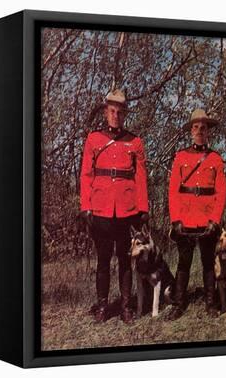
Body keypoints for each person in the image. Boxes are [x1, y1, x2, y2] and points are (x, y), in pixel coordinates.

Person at [79, 89, 149, 323]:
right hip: (101, 209)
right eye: (112, 111)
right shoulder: (94, 139)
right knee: (103, 260)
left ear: (125, 113)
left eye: (120, 112)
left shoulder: (135, 141)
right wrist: (86, 206)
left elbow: (140, 177)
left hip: (127, 210)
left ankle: (126, 307)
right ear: (106, 112)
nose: (115, 115)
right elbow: (87, 175)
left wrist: (143, 208)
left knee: (125, 260)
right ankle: (102, 306)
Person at [167, 109, 226, 320]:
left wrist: (215, 220)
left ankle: (211, 303)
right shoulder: (181, 156)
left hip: (207, 217)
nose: (200, 131)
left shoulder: (216, 158)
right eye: (196, 127)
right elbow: (173, 190)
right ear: (190, 131)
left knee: (208, 261)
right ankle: (179, 303)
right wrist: (175, 219)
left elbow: (221, 192)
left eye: (203, 127)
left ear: (208, 131)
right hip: (185, 217)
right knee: (184, 261)